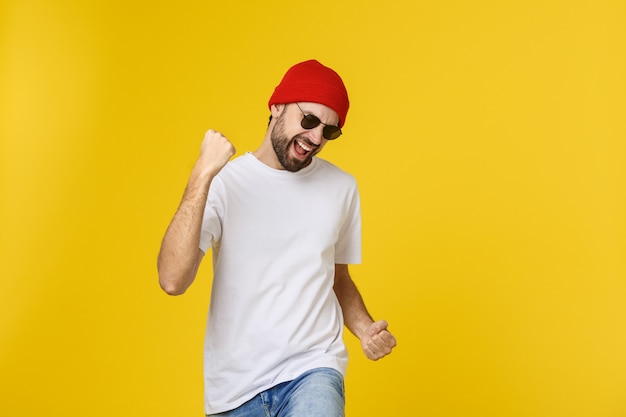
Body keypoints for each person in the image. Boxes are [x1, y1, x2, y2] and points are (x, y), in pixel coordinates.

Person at [157, 59, 397, 417]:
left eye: (329, 131)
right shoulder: (224, 183)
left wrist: (364, 329)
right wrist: (203, 173)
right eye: (310, 120)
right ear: (277, 106)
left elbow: (337, 276)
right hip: (235, 388)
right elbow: (173, 280)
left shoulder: (341, 187)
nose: (316, 138)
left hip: (313, 368)